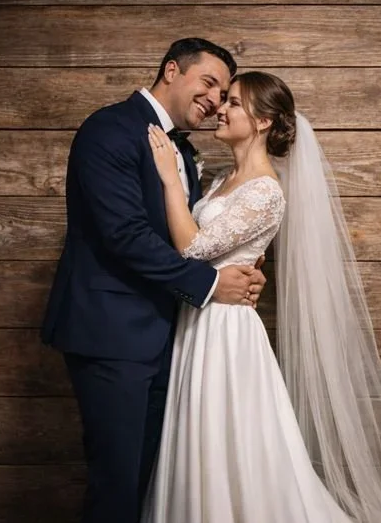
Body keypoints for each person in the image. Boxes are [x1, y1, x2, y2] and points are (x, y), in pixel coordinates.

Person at [140, 71, 381, 523]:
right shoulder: (224, 179)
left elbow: (191, 248)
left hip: (227, 330)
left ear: (264, 121)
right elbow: (203, 249)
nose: (220, 109)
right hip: (200, 317)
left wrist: (170, 180)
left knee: (229, 436)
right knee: (201, 435)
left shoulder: (266, 190)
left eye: (232, 102)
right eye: (222, 100)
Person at [39, 38, 267, 523]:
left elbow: (191, 238)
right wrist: (211, 285)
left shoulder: (180, 152)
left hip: (170, 337)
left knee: (148, 479)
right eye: (208, 83)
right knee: (117, 480)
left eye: (223, 93)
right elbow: (124, 235)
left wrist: (247, 266)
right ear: (171, 71)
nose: (213, 100)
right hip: (111, 334)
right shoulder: (110, 130)